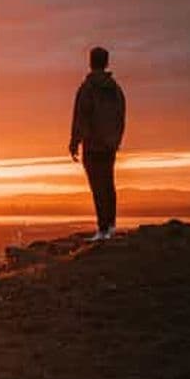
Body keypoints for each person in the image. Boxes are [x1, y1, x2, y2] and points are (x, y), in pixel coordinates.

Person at [69, 47, 126, 241]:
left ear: (90, 62)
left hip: (93, 145)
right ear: (106, 63)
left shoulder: (87, 88)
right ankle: (109, 226)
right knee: (108, 185)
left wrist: (74, 141)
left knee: (98, 186)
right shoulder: (116, 89)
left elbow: (81, 117)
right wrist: (116, 139)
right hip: (109, 145)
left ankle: (102, 229)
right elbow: (121, 116)